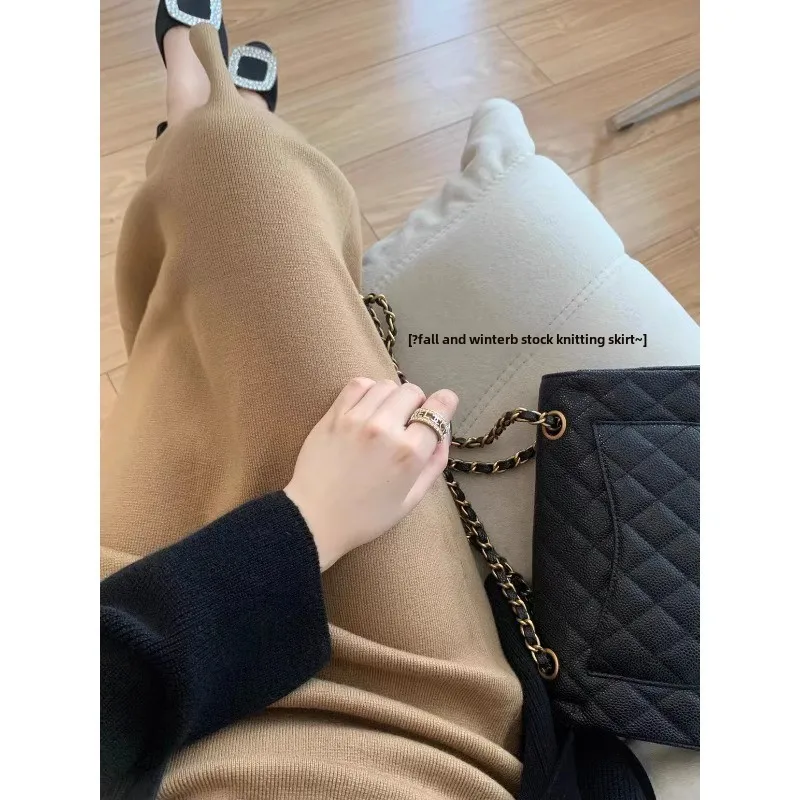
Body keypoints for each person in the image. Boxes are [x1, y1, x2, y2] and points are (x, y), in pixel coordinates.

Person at [101, 5, 653, 799]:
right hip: (417, 723)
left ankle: (195, 128)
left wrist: (307, 524)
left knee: (235, 205)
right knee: (249, 189)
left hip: (139, 694)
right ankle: (207, 133)